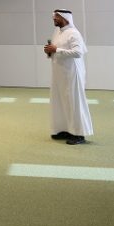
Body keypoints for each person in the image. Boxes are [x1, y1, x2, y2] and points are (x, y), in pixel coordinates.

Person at [44, 10, 93, 146]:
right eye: (54, 16)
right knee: (60, 101)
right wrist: (49, 51)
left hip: (72, 73)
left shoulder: (73, 33)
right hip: (59, 73)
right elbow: (55, 50)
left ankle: (79, 134)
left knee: (74, 102)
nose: (54, 18)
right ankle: (65, 130)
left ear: (65, 18)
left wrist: (56, 50)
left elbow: (78, 52)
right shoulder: (57, 32)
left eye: (57, 16)